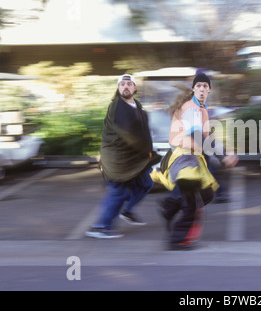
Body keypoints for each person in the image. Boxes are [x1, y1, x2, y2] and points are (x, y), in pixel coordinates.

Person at [151, 72, 238, 250]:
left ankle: (169, 208)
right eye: (199, 85)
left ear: (209, 90)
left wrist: (220, 152)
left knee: (203, 195)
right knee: (193, 202)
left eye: (205, 86)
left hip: (189, 159)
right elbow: (195, 135)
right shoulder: (191, 108)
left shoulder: (200, 109)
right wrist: (223, 156)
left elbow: (204, 136)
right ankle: (176, 238)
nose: (202, 89)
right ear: (193, 88)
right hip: (184, 159)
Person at [85, 74, 160, 239]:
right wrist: (145, 151)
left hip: (135, 159)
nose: (125, 87)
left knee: (146, 182)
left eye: (129, 84)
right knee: (118, 191)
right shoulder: (118, 107)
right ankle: (101, 226)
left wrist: (149, 151)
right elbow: (128, 134)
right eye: (122, 85)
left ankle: (127, 211)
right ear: (118, 88)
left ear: (134, 88)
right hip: (118, 160)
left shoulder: (137, 107)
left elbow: (143, 132)